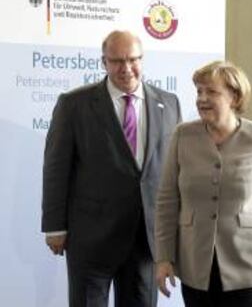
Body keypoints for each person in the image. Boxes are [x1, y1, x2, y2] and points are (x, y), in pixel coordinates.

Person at [41, 30, 181, 307]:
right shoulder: (74, 105)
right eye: (116, 61)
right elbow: (56, 169)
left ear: (142, 59)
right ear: (103, 62)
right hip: (91, 238)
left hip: (145, 239)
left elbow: (174, 171)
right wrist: (55, 227)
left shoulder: (169, 103)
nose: (126, 68)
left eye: (132, 59)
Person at [154, 60, 252, 307]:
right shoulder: (183, 135)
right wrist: (163, 257)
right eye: (199, 91)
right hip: (196, 261)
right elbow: (167, 200)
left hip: (251, 261)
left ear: (235, 97)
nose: (202, 98)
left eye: (211, 92)